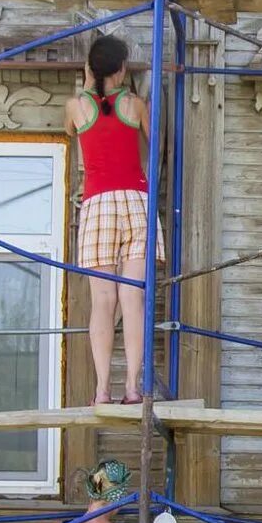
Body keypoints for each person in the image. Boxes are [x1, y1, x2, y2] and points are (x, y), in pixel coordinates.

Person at [65, 34, 159, 406]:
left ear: (91, 67)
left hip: (98, 203)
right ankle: (133, 387)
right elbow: (156, 146)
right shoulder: (135, 105)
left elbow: (71, 132)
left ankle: (102, 388)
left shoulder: (76, 107)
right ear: (122, 69)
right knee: (132, 298)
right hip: (135, 201)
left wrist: (90, 85)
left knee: (102, 301)